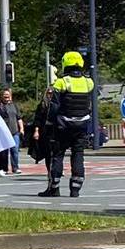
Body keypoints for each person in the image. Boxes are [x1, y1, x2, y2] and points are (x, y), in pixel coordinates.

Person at [37, 52, 94, 198]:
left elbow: (54, 106)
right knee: (78, 154)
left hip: (63, 125)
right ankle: (75, 188)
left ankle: (54, 187)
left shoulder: (61, 82)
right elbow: (90, 105)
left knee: (57, 155)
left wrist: (49, 122)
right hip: (81, 125)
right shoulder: (89, 82)